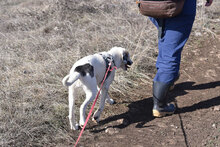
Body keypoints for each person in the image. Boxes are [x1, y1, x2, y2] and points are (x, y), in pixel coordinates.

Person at [150, 0, 214, 117]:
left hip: (150, 5)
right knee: (171, 50)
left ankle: (168, 80)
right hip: (178, 5)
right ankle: (160, 106)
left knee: (166, 38)